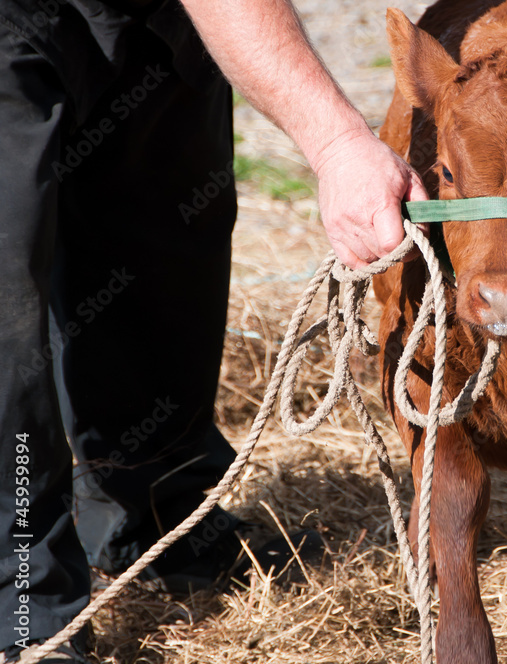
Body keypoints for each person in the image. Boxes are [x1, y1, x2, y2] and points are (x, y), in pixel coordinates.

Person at [0, 0, 428, 660]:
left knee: (164, 255)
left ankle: (151, 514)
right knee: (7, 323)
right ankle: (21, 599)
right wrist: (339, 144)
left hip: (153, 19)